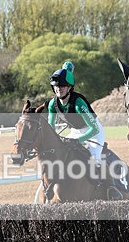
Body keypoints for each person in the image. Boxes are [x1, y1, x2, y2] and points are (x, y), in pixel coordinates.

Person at [47, 61, 122, 199]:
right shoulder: (53, 104)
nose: (59, 89)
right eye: (56, 86)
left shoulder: (78, 104)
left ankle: (112, 188)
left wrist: (79, 140)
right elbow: (50, 127)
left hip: (93, 130)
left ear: (69, 87)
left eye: (62, 86)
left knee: (95, 157)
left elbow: (93, 128)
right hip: (76, 130)